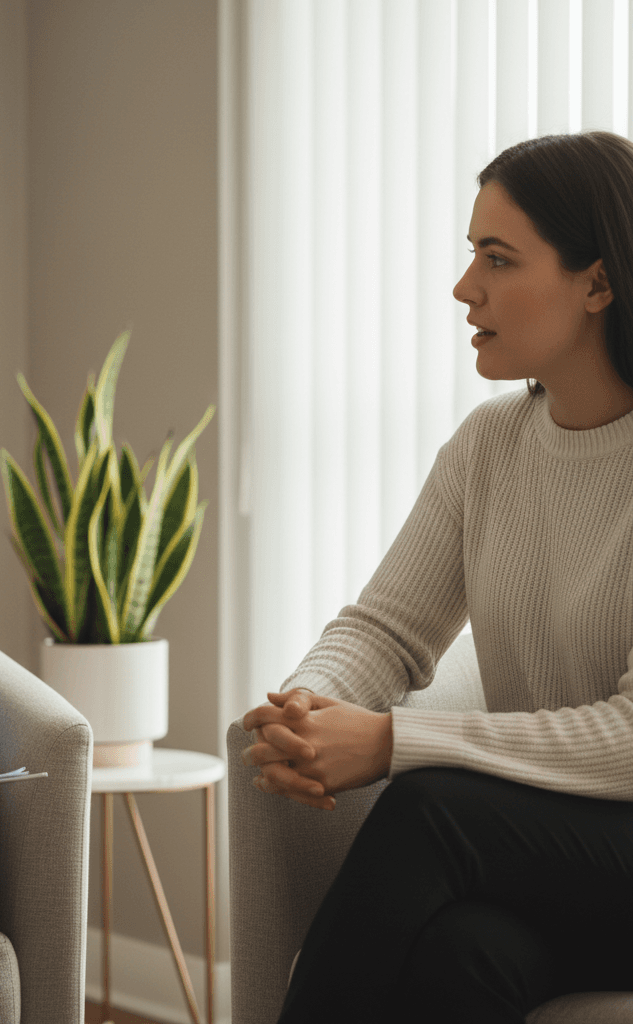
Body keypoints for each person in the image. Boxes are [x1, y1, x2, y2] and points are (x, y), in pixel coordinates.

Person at [241, 130, 633, 1023]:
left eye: (498, 260)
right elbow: (387, 627)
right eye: (471, 257)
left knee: (428, 809)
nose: (465, 289)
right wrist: (305, 707)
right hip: (563, 853)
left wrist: (387, 743)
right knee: (465, 959)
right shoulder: (490, 447)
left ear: (599, 284)